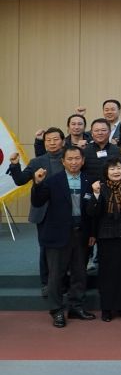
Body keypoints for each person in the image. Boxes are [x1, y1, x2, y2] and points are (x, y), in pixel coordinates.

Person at [30, 146, 96, 328]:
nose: (74, 162)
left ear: (83, 161)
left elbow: (92, 212)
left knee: (79, 273)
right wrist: (37, 183)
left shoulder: (89, 181)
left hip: (81, 234)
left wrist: (92, 233)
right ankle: (56, 310)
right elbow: (38, 201)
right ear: (63, 161)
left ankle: (76, 307)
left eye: (77, 159)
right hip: (57, 235)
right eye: (70, 159)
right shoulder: (52, 181)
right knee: (56, 275)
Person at [7, 127, 66, 297]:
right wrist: (14, 165)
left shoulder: (70, 158)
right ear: (44, 142)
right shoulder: (37, 161)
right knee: (45, 248)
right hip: (44, 212)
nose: (52, 143)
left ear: (63, 141)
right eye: (48, 140)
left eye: (55, 139)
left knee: (65, 248)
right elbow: (20, 180)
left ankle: (63, 282)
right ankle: (46, 283)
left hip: (65, 211)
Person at [86, 156, 121, 322]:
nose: (116, 171)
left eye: (119, 168)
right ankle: (106, 308)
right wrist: (95, 194)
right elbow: (92, 212)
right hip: (106, 235)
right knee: (108, 273)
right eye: (112, 169)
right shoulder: (100, 187)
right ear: (106, 172)